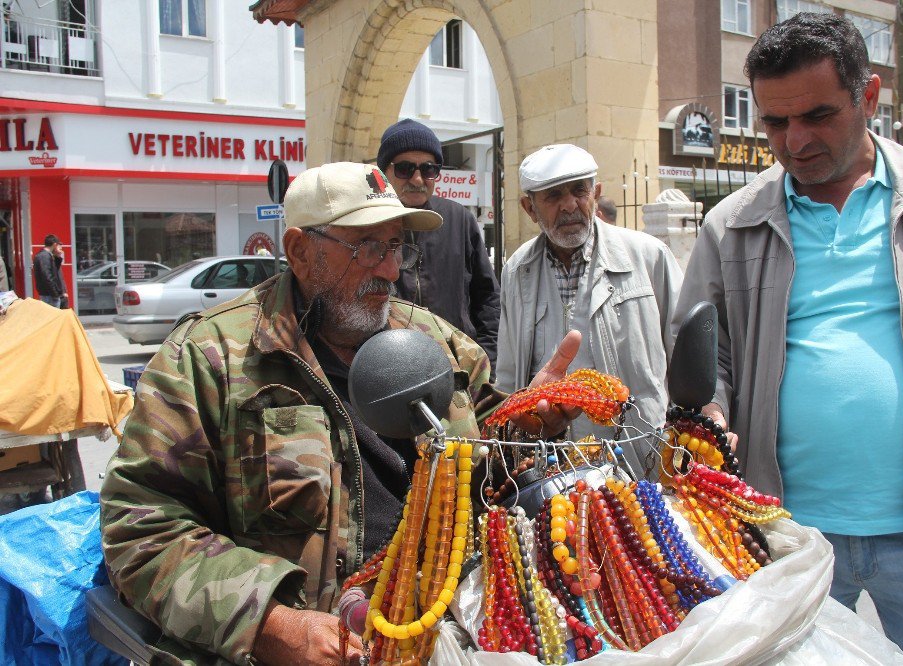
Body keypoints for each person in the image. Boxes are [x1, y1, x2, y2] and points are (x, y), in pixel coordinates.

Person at [100, 162, 580, 665]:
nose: (391, 270)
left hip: (455, 631)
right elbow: (139, 529)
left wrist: (523, 426)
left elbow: (486, 469)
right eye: (368, 246)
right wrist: (269, 623)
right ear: (300, 251)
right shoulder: (210, 358)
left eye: (396, 247)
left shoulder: (440, 346)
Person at [674, 13, 903, 664]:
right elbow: (712, 360)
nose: (795, 141)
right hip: (788, 538)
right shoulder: (731, 225)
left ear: (869, 97)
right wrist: (710, 414)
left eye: (818, 115)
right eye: (773, 122)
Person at [496, 144, 684, 478]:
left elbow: (683, 353)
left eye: (579, 190)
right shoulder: (517, 270)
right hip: (555, 468)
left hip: (644, 458)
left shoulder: (648, 256)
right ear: (529, 208)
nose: (569, 205)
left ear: (595, 194)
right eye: (553, 195)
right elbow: (509, 376)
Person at [376, 118, 501, 370]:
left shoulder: (459, 219)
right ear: (384, 173)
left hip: (459, 368)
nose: (418, 179)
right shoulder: (369, 224)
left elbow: (487, 297)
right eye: (404, 168)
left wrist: (486, 360)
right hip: (391, 367)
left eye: (429, 169)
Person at [32, 234, 67, 308]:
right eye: (57, 245)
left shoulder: (47, 256)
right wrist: (55, 294)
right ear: (54, 245)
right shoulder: (44, 256)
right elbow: (47, 276)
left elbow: (55, 271)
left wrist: (57, 257)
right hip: (49, 295)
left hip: (49, 294)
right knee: (54, 317)